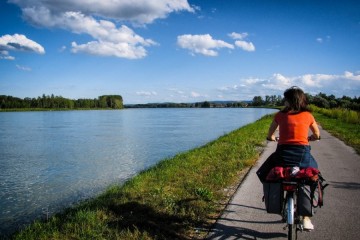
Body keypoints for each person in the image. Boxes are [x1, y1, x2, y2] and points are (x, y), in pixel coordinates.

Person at [257, 86, 320, 230]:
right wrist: (311, 138)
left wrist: (271, 138)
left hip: (282, 156)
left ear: (289, 100)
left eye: (285, 98)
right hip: (302, 156)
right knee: (313, 175)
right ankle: (306, 218)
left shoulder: (279, 115)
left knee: (264, 172)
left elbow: (270, 133)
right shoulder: (308, 116)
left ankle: (276, 200)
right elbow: (317, 135)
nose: (284, 101)